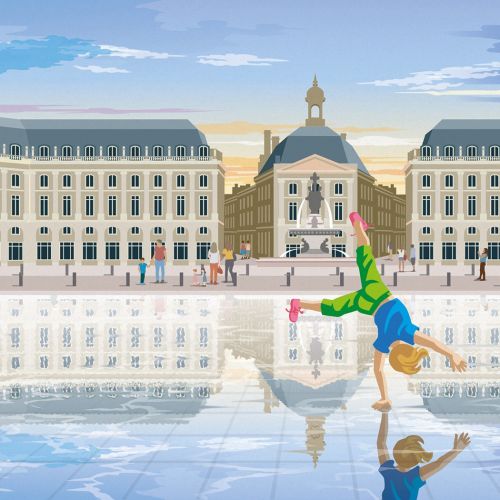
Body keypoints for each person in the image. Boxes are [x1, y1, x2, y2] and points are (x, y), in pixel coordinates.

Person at [287, 212, 467, 411]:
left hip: (377, 292)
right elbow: (378, 370)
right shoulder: (385, 342)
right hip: (368, 303)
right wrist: (384, 397)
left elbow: (432, 343)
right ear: (393, 356)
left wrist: (451, 355)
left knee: (365, 257)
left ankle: (356, 222)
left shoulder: (408, 333)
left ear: (409, 349)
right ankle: (298, 303)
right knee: (336, 308)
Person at [377, 412, 470, 499]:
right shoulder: (414, 478)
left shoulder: (388, 471)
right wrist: (456, 450)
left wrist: (385, 413)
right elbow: (439, 464)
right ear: (416, 460)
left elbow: (381, 442)